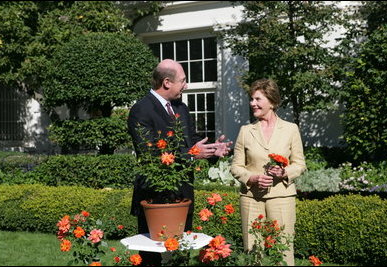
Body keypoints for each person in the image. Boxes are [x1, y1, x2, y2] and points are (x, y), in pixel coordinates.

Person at [127, 59, 232, 265]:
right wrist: (193, 154)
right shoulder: (141, 110)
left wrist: (211, 151)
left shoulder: (181, 108)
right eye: (183, 80)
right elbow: (151, 154)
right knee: (152, 259)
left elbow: (191, 142)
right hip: (155, 199)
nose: (186, 85)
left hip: (182, 195)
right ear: (167, 82)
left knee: (181, 255)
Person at [230, 78, 306, 266]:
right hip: (250, 198)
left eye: (257, 99)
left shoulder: (290, 129)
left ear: (272, 102)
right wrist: (252, 178)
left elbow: (300, 164)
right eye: (251, 99)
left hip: (282, 197)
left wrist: (284, 173)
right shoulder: (246, 131)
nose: (252, 103)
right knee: (252, 251)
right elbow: (235, 167)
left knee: (283, 249)